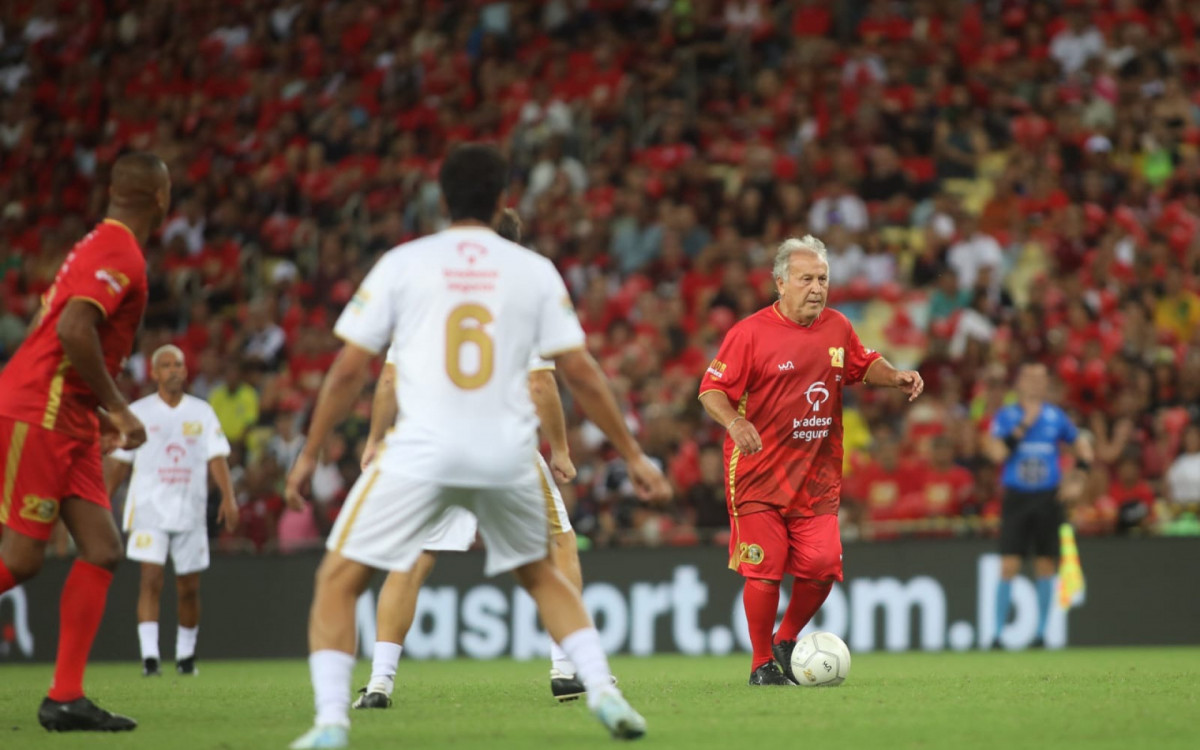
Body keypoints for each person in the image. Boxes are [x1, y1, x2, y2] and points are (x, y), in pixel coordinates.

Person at [284, 144, 671, 749]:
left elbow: (357, 371)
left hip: (421, 450)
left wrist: (312, 452)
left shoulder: (404, 263)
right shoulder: (532, 270)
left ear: (441, 200)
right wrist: (633, 454)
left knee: (341, 579)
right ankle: (599, 687)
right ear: (502, 200)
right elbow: (578, 372)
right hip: (505, 451)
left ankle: (334, 719)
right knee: (545, 571)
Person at [352, 208, 600, 708]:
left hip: (429, 445)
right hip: (498, 439)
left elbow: (388, 379)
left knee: (411, 562)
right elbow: (539, 381)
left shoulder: (423, 291)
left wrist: (375, 438)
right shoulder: (522, 292)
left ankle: (379, 682)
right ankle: (565, 670)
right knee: (559, 544)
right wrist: (561, 449)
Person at [698, 235, 924, 686]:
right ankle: (761, 664)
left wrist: (894, 376)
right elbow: (711, 390)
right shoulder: (748, 333)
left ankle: (786, 639)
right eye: (806, 279)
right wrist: (734, 424)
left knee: (821, 567)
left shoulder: (837, 327)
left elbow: (863, 363)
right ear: (781, 283)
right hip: (757, 473)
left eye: (822, 278)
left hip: (816, 477)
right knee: (765, 568)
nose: (817, 287)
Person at [0, 152, 170, 731]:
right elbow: (73, 328)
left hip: (65, 412)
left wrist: (94, 412)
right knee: (20, 560)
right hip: (42, 411)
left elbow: (49, 328)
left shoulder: (99, 244)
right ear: (161, 199)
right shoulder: (119, 250)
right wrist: (119, 409)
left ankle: (65, 697)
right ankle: (65, 695)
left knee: (101, 549)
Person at [102, 344, 238, 677]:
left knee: (189, 586)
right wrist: (102, 502)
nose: (174, 370)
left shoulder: (201, 412)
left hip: (190, 509)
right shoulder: (138, 413)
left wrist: (228, 497)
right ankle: (150, 658)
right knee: (151, 579)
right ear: (154, 373)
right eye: (166, 365)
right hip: (148, 508)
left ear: (185, 370)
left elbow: (216, 456)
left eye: (178, 364)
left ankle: (185, 656)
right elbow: (119, 464)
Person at [983, 361, 1094, 650]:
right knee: (1009, 564)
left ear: (1046, 385)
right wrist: (1025, 424)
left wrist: (1078, 478)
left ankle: (1043, 634)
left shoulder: (1057, 418)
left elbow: (1083, 446)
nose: (1034, 383)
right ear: (1019, 383)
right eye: (1029, 377)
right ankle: (996, 635)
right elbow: (996, 453)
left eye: (1040, 378)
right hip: (1017, 498)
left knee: (1046, 564)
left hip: (1047, 498)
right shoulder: (1007, 417)